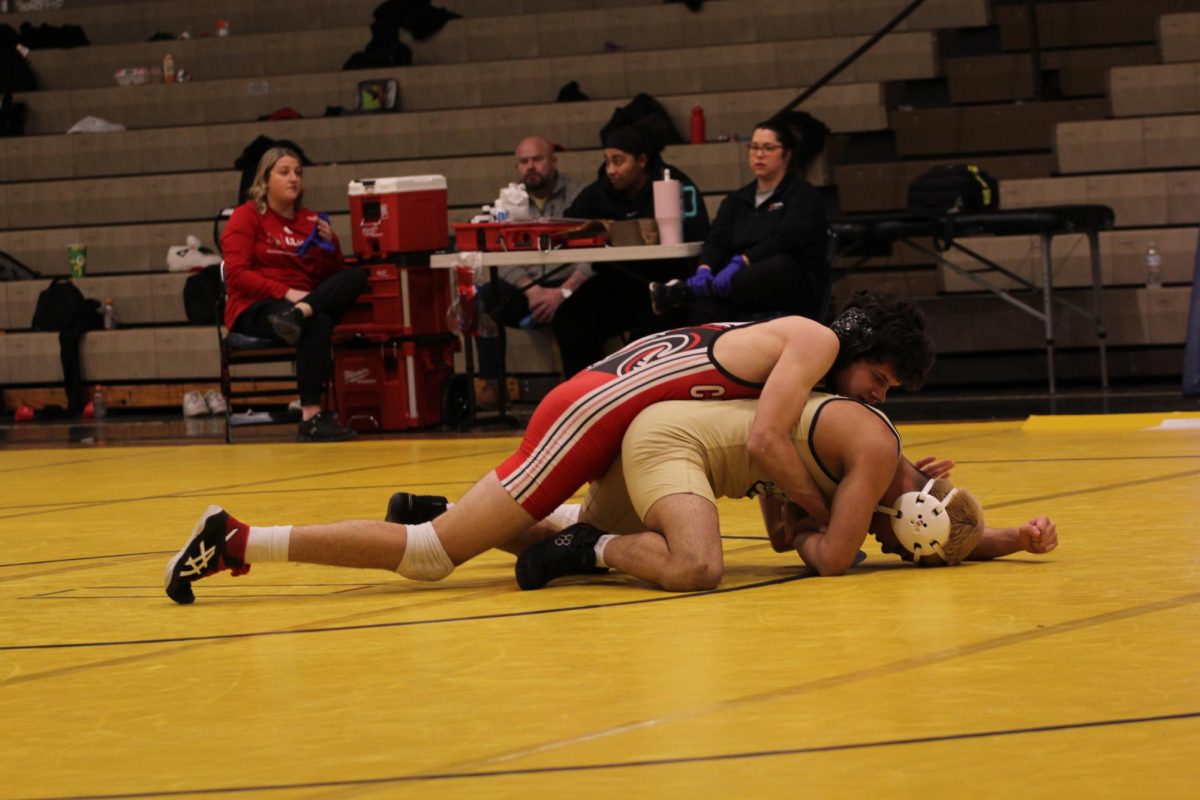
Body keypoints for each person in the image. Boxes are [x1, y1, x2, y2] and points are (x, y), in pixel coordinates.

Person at [164, 292, 933, 603]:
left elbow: (768, 447)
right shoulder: (816, 339)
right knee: (432, 555)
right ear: (857, 344)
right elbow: (766, 441)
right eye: (881, 378)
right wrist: (835, 508)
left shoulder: (798, 342)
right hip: (595, 416)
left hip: (615, 414)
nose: (877, 397)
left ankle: (507, 522)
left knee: (560, 527)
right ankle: (238, 540)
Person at [513, 395, 1056, 591]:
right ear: (915, 517)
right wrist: (806, 532)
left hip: (673, 439)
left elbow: (943, 535)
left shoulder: (898, 484)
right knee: (696, 567)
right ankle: (591, 547)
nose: (890, 551)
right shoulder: (874, 465)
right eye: (903, 549)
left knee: (556, 540)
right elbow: (832, 561)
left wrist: (1015, 537)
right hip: (675, 444)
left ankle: (437, 517)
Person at [221, 146, 367, 442]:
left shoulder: (310, 221)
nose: (294, 179)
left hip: (301, 303)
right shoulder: (246, 217)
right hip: (256, 305)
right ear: (265, 179)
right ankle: (312, 417)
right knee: (319, 320)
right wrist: (286, 293)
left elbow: (327, 276)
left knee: (357, 275)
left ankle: (300, 314)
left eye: (298, 173)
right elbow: (236, 274)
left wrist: (331, 246)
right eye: (284, 172)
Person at [554, 124, 712, 377]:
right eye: (607, 162)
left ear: (641, 160)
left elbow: (699, 237)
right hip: (617, 281)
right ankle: (586, 395)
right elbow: (568, 225)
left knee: (652, 331)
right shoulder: (598, 192)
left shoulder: (676, 184)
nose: (611, 170)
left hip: (665, 284)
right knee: (569, 318)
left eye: (619, 161)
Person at [650, 118, 829, 325]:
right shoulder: (736, 200)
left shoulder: (803, 195)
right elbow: (717, 239)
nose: (759, 154)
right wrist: (705, 269)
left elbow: (787, 238)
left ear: (787, 154)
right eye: (754, 147)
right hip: (737, 291)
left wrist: (742, 261)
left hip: (789, 285)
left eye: (768, 148)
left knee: (780, 265)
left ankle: (684, 292)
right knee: (704, 305)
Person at [475, 136, 589, 401]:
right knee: (486, 298)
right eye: (524, 162)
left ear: (553, 161)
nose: (530, 167)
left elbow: (596, 251)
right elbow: (496, 252)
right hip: (528, 289)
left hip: (569, 286)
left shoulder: (581, 194)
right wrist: (532, 290)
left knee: (578, 307)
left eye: (537, 159)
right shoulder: (507, 201)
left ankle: (579, 394)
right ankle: (492, 384)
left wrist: (563, 291)